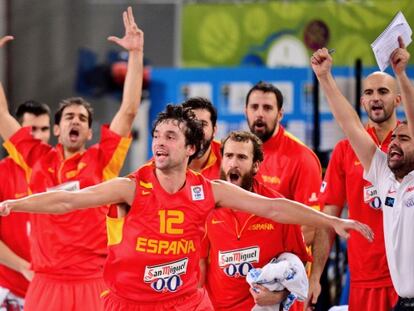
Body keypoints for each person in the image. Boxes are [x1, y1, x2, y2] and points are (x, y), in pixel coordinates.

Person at [0, 104, 373, 311]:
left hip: (184, 303)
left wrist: (331, 221)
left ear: (190, 148)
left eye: (171, 136)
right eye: (157, 135)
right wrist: (15, 204)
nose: (159, 142)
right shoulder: (131, 187)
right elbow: (68, 200)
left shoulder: (209, 190)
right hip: (129, 303)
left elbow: (273, 208)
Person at [0, 6, 143, 310]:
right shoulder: (35, 157)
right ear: (56, 127)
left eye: (81, 118)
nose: (75, 121)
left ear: (90, 133)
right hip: (46, 281)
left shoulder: (103, 159)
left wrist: (135, 53)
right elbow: (1, 115)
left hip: (94, 279)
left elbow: (129, 111)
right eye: (68, 117)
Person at [310, 37, 414, 311]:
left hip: (401, 283)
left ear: (398, 99)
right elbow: (349, 124)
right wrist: (325, 78)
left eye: (383, 91)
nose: (375, 98)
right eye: (369, 92)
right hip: (364, 281)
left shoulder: (408, 154)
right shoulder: (377, 167)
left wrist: (401, 74)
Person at [200, 130, 310, 311]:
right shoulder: (206, 205)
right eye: (228, 156)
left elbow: (298, 265)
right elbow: (200, 263)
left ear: (256, 166)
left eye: (242, 157)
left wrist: (278, 296)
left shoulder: (277, 209)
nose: (233, 163)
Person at [245, 82, 322, 245]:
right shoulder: (237, 153)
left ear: (280, 114)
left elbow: (311, 225)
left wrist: (272, 258)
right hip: (246, 258)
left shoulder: (302, 158)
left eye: (267, 108)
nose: (259, 114)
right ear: (246, 111)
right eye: (254, 107)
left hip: (284, 262)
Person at [0, 100, 50, 311]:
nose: (38, 136)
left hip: (52, 291)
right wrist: (25, 268)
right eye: (32, 130)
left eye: (44, 129)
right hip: (10, 291)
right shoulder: (2, 175)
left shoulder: (59, 171)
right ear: (17, 131)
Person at [182, 97, 221, 179]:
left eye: (203, 124)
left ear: (214, 130)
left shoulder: (229, 156)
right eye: (191, 123)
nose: (197, 131)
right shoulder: (163, 162)